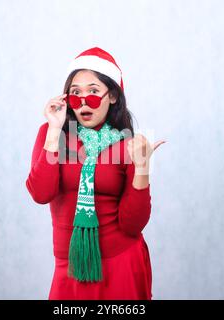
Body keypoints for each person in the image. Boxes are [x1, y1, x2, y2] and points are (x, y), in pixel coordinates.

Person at [26, 47, 165, 299]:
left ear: (112, 96)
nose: (83, 102)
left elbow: (133, 225)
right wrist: (55, 130)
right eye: (75, 93)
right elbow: (40, 193)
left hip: (120, 263)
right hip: (70, 264)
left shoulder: (128, 145)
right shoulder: (53, 134)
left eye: (93, 92)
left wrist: (142, 167)